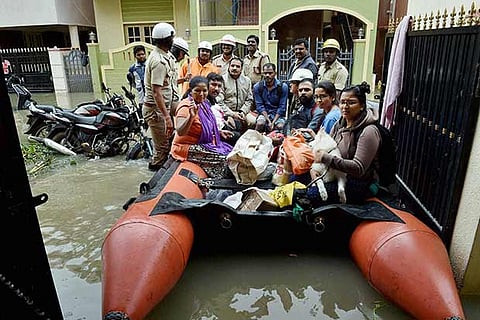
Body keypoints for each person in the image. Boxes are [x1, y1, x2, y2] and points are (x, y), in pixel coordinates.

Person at [312, 81, 380, 203]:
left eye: (351, 102)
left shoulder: (369, 131)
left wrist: (325, 158)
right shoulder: (339, 124)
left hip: (357, 183)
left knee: (309, 195)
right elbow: (327, 148)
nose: (345, 106)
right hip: (335, 173)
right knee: (297, 178)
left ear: (362, 105)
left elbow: (358, 168)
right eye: (342, 102)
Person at [171, 76, 233, 178]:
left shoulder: (204, 104)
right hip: (185, 147)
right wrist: (191, 116)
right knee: (225, 159)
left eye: (204, 91)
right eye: (197, 91)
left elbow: (207, 126)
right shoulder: (185, 106)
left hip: (203, 143)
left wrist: (219, 132)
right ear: (191, 91)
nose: (201, 94)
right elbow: (180, 131)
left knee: (230, 153)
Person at [143, 22, 177, 171]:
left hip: (161, 110)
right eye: (172, 37)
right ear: (167, 39)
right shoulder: (158, 62)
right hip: (155, 111)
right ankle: (152, 178)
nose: (173, 40)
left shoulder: (166, 56)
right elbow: (157, 92)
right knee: (162, 149)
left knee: (168, 143)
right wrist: (167, 117)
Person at [206, 72, 242, 145]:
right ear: (207, 85)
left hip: (220, 123)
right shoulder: (204, 99)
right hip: (214, 131)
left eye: (219, 86)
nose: (216, 88)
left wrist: (227, 117)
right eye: (213, 85)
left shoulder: (213, 98)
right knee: (237, 136)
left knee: (238, 124)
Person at [252, 63, 288, 133]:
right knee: (260, 124)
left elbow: (282, 107)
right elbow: (260, 106)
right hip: (264, 114)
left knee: (281, 126)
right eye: (265, 73)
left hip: (278, 115)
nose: (267, 75)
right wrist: (268, 120)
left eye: (270, 73)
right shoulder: (257, 87)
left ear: (275, 73)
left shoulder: (283, 87)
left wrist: (273, 122)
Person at [219, 57, 253, 127]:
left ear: (241, 69)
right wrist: (232, 114)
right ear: (228, 67)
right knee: (231, 125)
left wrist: (242, 111)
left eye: (238, 66)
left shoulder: (247, 81)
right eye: (232, 66)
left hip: (242, 112)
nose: (234, 68)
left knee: (253, 121)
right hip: (226, 112)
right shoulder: (222, 80)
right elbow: (219, 101)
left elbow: (249, 100)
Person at [170, 37, 190, 116]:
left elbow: (172, 82)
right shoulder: (167, 62)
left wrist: (184, 79)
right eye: (183, 54)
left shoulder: (174, 63)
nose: (183, 57)